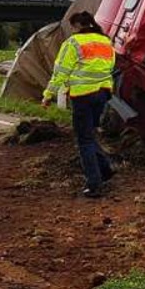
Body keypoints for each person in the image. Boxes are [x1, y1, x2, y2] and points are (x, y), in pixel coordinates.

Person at [42, 11, 116, 198]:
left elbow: (61, 71)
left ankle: (94, 184)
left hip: (83, 96)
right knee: (89, 135)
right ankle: (106, 169)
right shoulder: (106, 41)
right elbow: (110, 67)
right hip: (102, 94)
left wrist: (48, 94)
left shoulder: (73, 43)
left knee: (84, 140)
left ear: (76, 25)